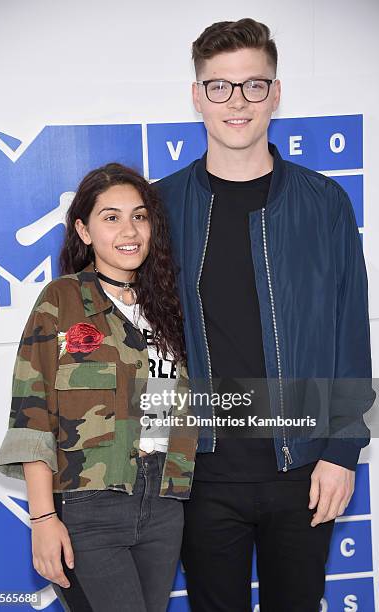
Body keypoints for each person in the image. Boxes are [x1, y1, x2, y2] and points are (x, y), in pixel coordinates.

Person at [155, 17, 375, 612]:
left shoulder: (324, 202)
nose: (237, 102)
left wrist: (340, 451)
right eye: (219, 86)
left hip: (304, 469)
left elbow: (350, 331)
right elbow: (137, 338)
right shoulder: (159, 206)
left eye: (253, 85)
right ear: (197, 96)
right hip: (199, 474)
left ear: (275, 94)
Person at [0, 163, 197, 612]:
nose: (129, 230)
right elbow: (33, 413)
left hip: (163, 504)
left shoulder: (170, 304)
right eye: (111, 217)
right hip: (88, 505)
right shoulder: (61, 300)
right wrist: (44, 518)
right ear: (83, 230)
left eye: (139, 216)